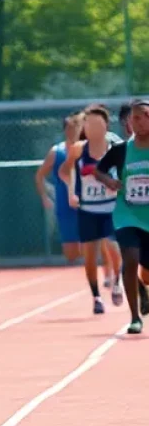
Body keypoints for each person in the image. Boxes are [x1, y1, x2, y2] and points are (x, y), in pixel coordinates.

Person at [60, 104, 123, 314]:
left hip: (112, 207)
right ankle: (96, 296)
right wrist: (71, 192)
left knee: (114, 246)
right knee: (89, 257)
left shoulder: (116, 146)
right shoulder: (79, 149)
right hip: (88, 210)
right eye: (88, 123)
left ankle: (117, 281)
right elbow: (65, 172)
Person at [95, 97, 149, 333]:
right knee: (130, 259)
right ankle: (135, 317)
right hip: (127, 214)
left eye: (142, 117)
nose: (136, 122)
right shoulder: (121, 150)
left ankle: (143, 292)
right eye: (133, 118)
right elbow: (98, 170)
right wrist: (109, 181)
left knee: (145, 273)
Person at [34, 113, 84, 264]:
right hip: (64, 202)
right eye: (68, 128)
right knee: (70, 251)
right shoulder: (57, 152)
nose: (72, 131)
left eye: (75, 128)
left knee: (90, 243)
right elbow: (39, 175)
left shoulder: (86, 149)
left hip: (86, 201)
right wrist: (44, 197)